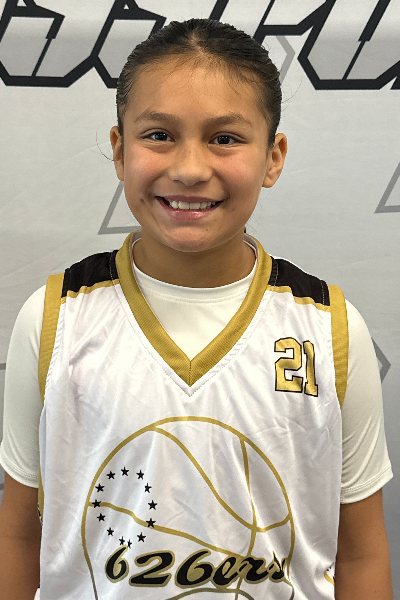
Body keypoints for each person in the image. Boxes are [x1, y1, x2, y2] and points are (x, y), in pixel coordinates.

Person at [0, 18, 393, 600]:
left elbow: (360, 552)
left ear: (273, 157)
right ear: (119, 150)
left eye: (225, 138)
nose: (188, 168)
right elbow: (18, 538)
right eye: (159, 134)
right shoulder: (54, 318)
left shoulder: (329, 327)